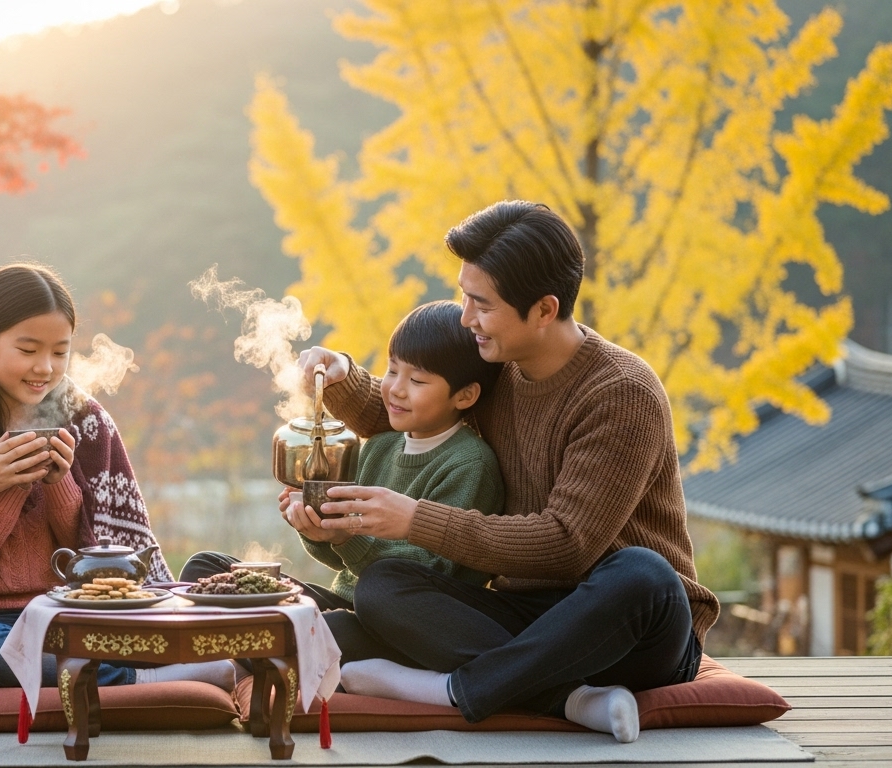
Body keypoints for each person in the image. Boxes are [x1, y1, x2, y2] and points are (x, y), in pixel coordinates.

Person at [301, 201, 718, 743]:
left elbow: (568, 544)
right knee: (382, 585)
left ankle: (455, 689)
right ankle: (564, 698)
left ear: (544, 310)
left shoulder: (621, 394)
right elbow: (421, 411)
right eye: (465, 297)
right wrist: (342, 379)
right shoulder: (501, 369)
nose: (466, 318)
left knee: (643, 574)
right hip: (526, 618)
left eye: (481, 304)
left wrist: (415, 520)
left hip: (626, 627)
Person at [0, 263, 238, 692]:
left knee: (133, 631)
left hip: (73, 607)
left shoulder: (87, 422)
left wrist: (60, 485)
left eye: (60, 352)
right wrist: (5, 486)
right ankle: (137, 679)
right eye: (28, 349)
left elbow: (104, 563)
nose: (44, 368)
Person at [180, 301, 505, 664]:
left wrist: (347, 538)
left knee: (332, 629)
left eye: (416, 380)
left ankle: (253, 651)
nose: (395, 389)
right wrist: (316, 525)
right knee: (205, 569)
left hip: (397, 623)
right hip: (344, 604)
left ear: (465, 395)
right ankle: (265, 650)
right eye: (392, 370)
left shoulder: (469, 465)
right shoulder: (380, 446)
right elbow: (341, 558)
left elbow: (429, 571)